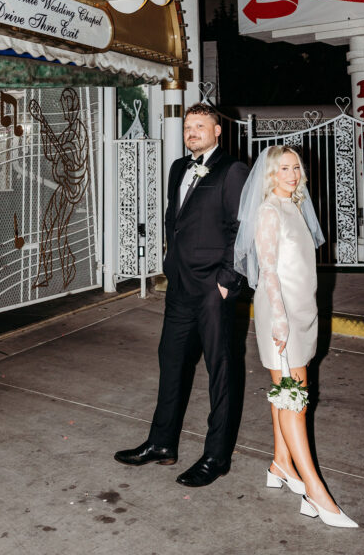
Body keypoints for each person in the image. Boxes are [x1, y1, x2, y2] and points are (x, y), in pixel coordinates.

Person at [115, 103, 248, 487]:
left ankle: (216, 457)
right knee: (171, 362)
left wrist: (226, 279)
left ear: (217, 130)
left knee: (220, 372)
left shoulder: (233, 170)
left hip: (212, 287)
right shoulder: (178, 167)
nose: (192, 132)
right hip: (180, 285)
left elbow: (241, 229)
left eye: (200, 126)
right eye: (188, 126)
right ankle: (161, 443)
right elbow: (176, 217)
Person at [234, 145, 358, 529]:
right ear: (270, 175)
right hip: (282, 312)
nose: (291, 174)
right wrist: (280, 320)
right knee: (295, 398)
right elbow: (268, 269)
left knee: (285, 394)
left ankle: (279, 464)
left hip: (303, 309)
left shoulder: (296, 206)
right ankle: (313, 490)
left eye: (295, 168)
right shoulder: (270, 210)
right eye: (283, 169)